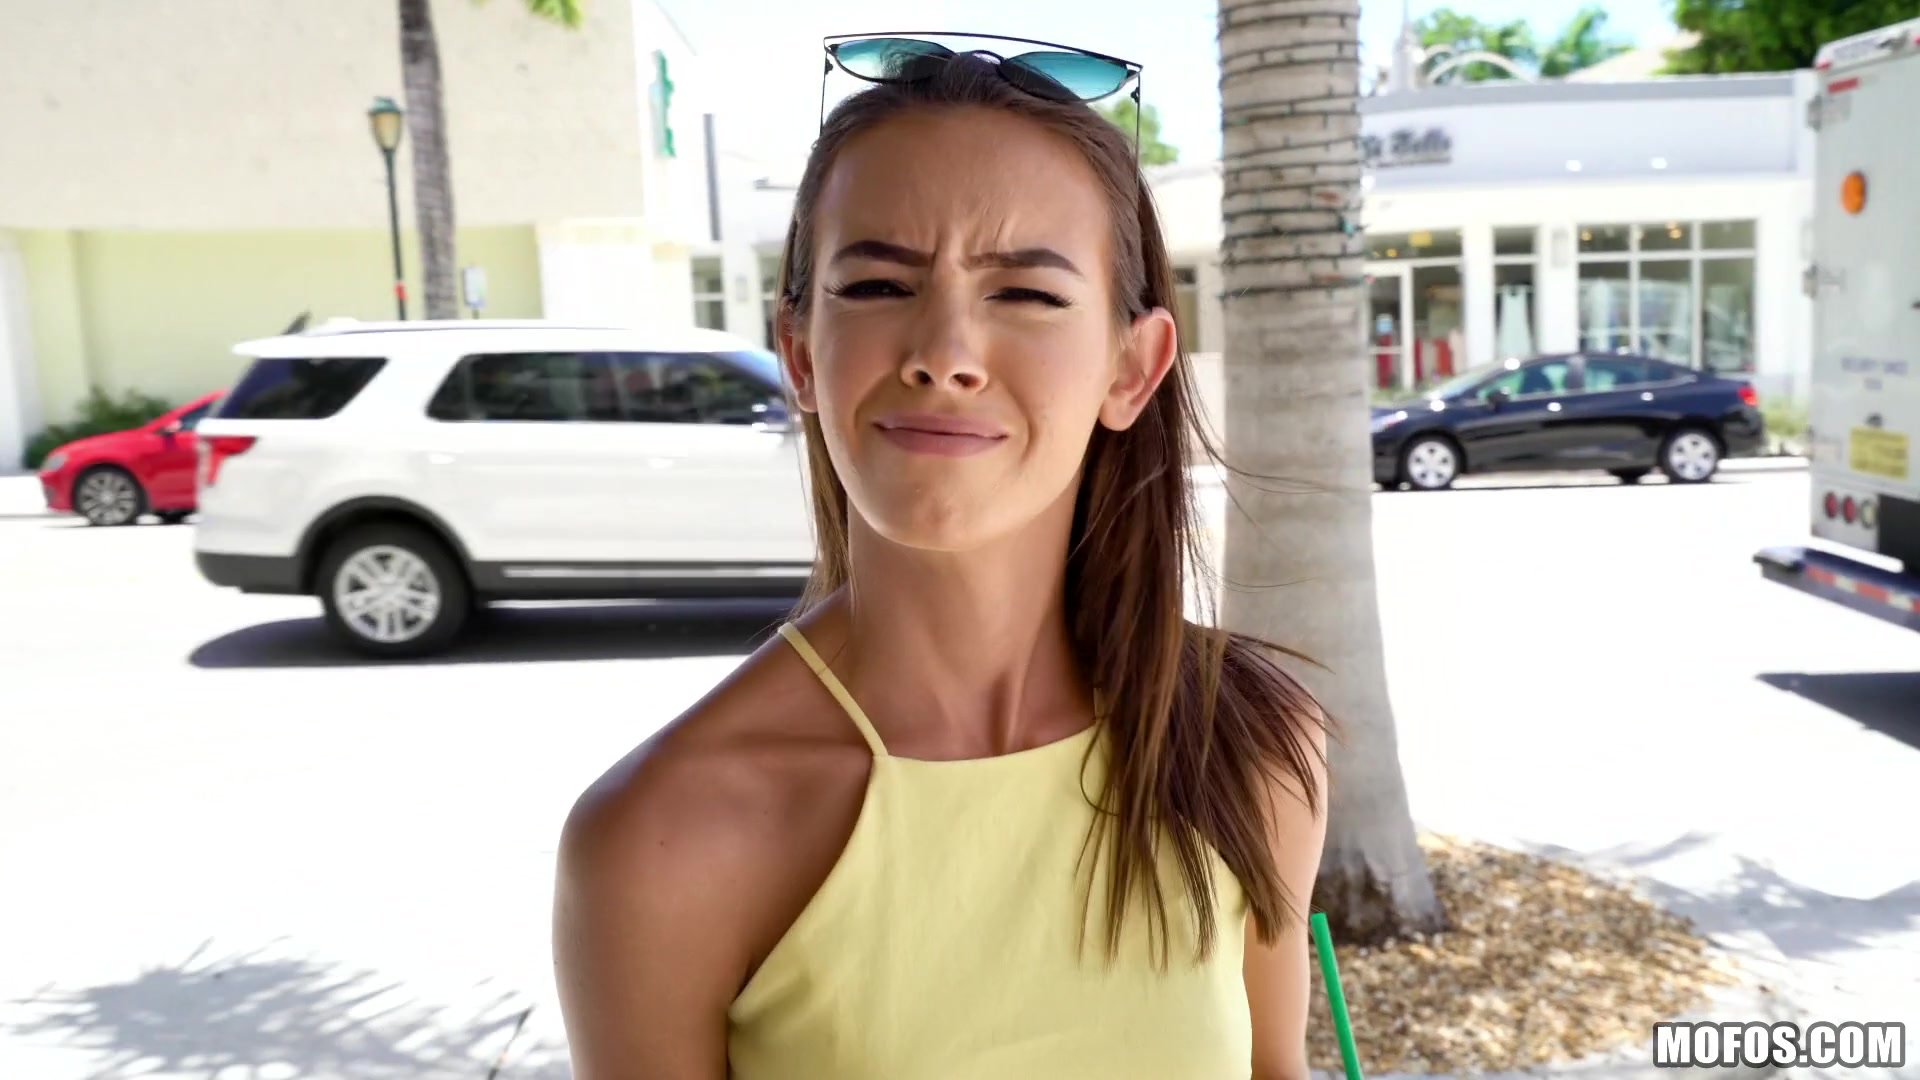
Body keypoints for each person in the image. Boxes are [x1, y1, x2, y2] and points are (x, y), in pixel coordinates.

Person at [553, 32, 1332, 1080]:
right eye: (879, 286)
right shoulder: (661, 837)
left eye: (1027, 294)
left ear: (1132, 368)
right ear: (799, 354)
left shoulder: (1248, 740)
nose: (945, 356)